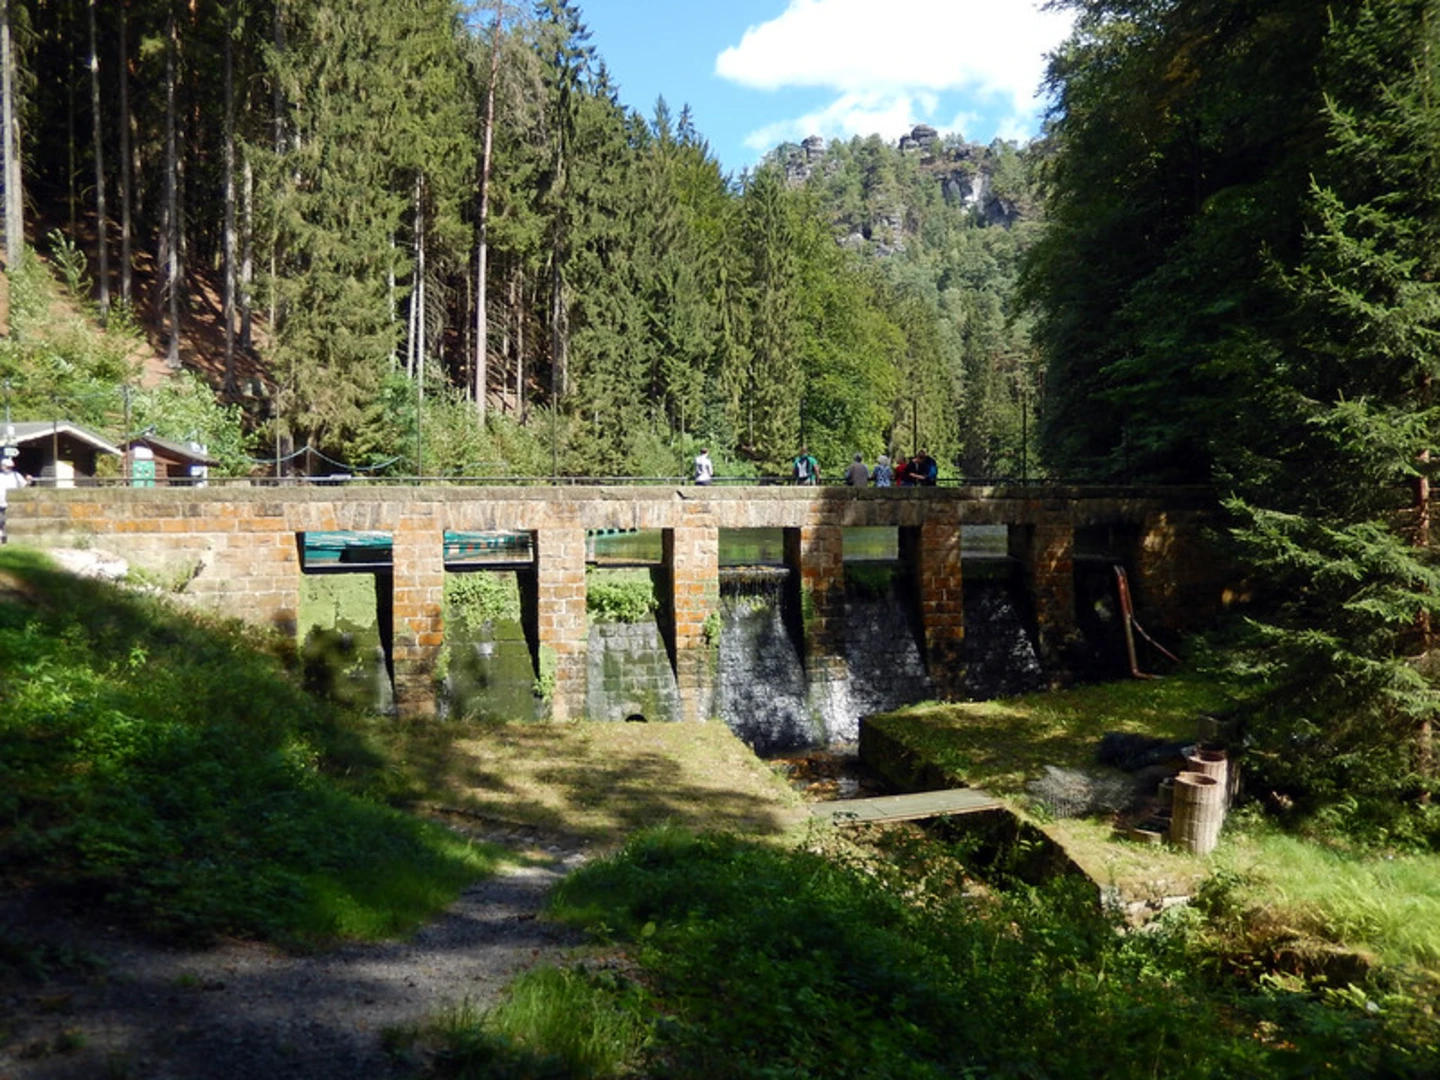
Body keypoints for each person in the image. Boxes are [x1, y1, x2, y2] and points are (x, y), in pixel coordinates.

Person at [0, 451, 30, 543]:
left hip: (11, 504)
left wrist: (29, 480)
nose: (8, 468)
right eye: (6, 466)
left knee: (8, 521)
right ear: (2, 466)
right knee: (1, 521)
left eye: (10, 467)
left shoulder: (16, 475)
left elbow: (24, 486)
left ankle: (6, 538)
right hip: (0, 502)